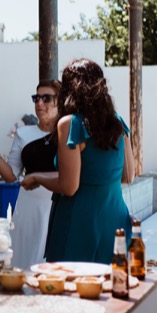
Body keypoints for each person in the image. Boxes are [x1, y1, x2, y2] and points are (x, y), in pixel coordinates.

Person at [21, 58, 134, 263]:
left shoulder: (71, 124)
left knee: (70, 290)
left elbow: (69, 186)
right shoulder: (118, 122)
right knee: (112, 289)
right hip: (115, 221)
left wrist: (37, 177)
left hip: (79, 225)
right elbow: (128, 176)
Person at [0, 79, 62, 269]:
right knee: (24, 264)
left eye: (46, 98)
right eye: (36, 98)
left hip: (57, 207)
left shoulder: (66, 133)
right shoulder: (24, 133)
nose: (39, 103)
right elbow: (11, 176)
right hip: (28, 208)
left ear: (60, 101)